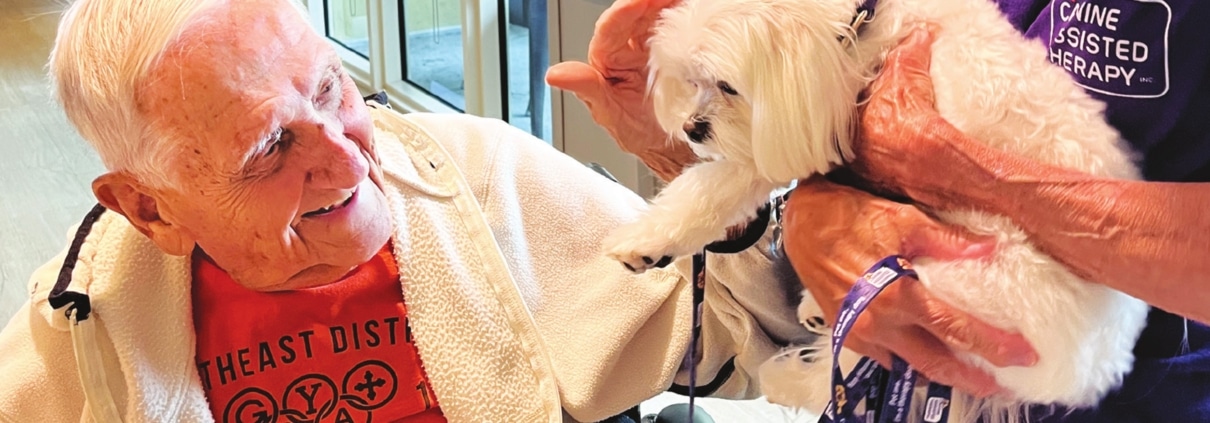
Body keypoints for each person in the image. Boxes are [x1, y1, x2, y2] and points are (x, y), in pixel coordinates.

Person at [0, 0, 815, 422]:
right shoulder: (90, 321)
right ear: (148, 207)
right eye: (270, 150)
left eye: (330, 88)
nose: (351, 158)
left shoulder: (483, 174)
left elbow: (758, 337)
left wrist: (703, 171)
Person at [550, 0, 1210, 420]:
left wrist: (967, 176)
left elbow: (881, 141)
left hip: (1115, 382)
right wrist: (809, 210)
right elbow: (818, 139)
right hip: (895, 381)